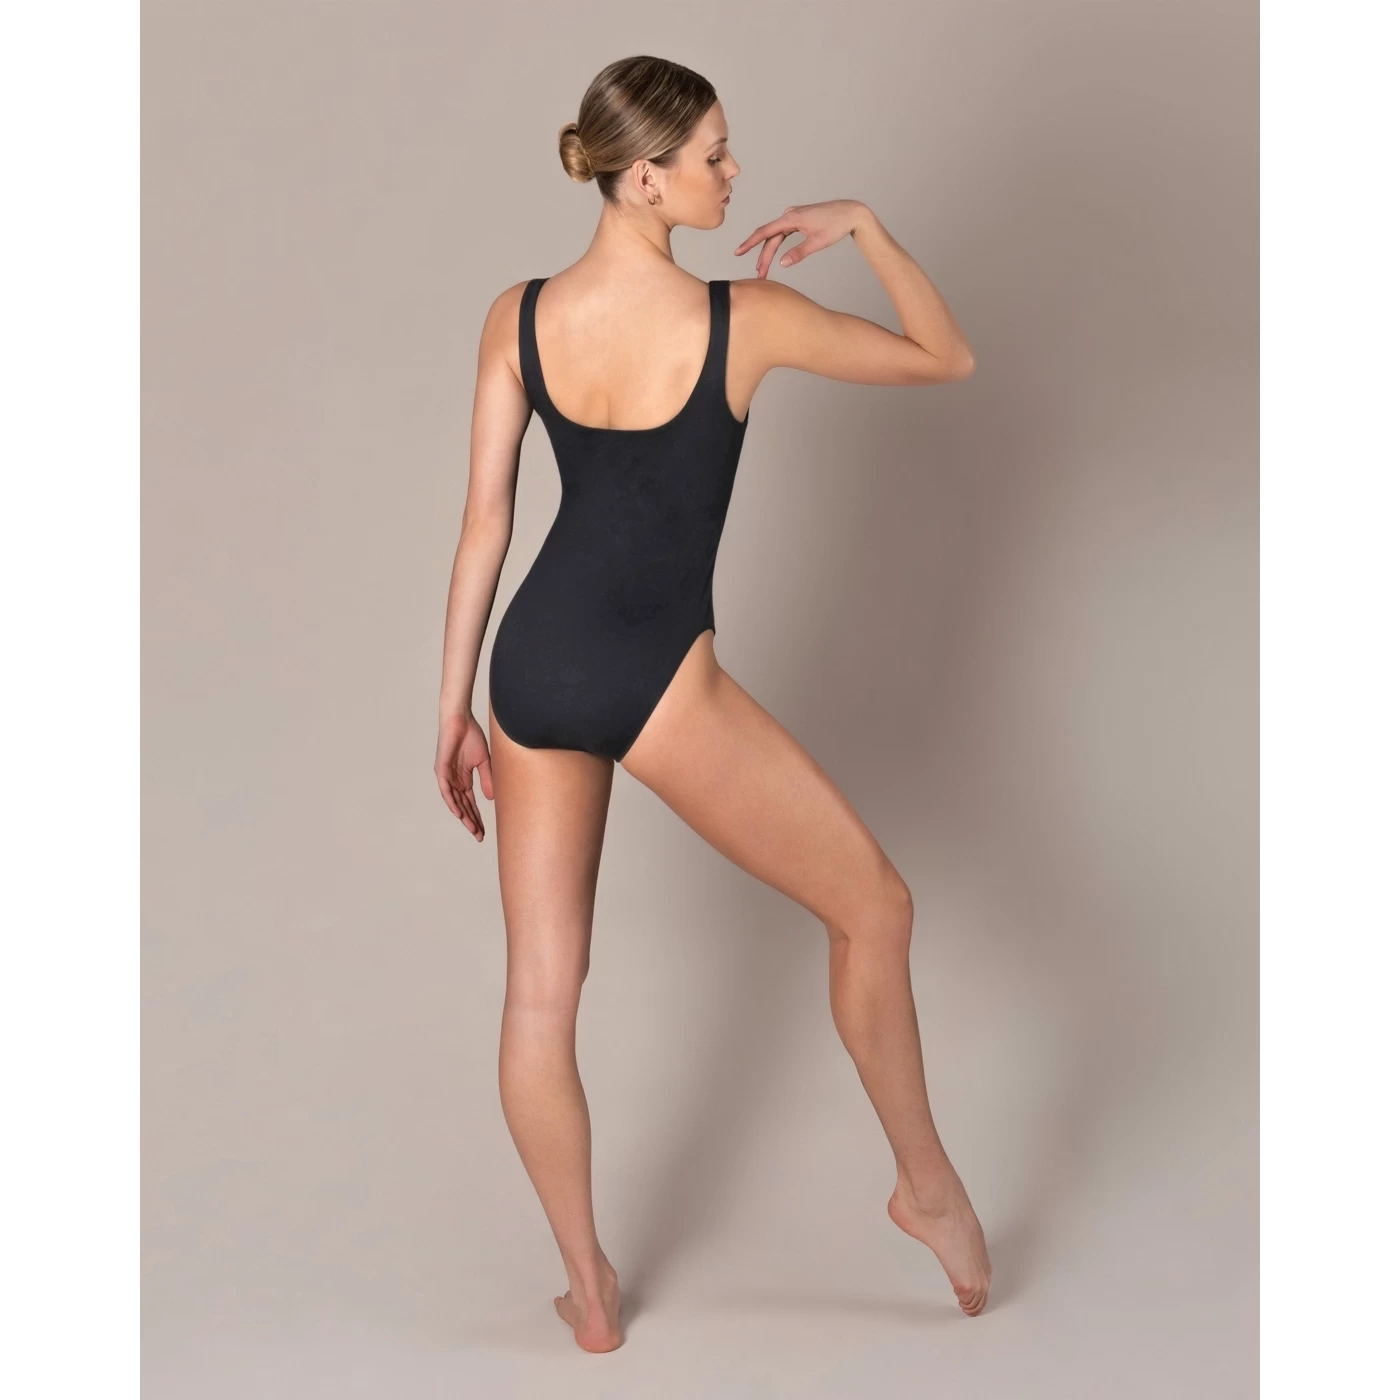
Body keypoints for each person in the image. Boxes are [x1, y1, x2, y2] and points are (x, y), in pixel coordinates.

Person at [435, 55, 990, 1353]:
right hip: (653, 677)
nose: (735, 175)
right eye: (714, 156)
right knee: (874, 908)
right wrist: (867, 229)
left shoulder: (518, 315)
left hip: (531, 668)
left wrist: (452, 708)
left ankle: (590, 1293)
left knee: (538, 999)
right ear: (645, 178)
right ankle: (924, 1187)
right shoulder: (749, 320)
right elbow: (946, 356)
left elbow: (483, 527)